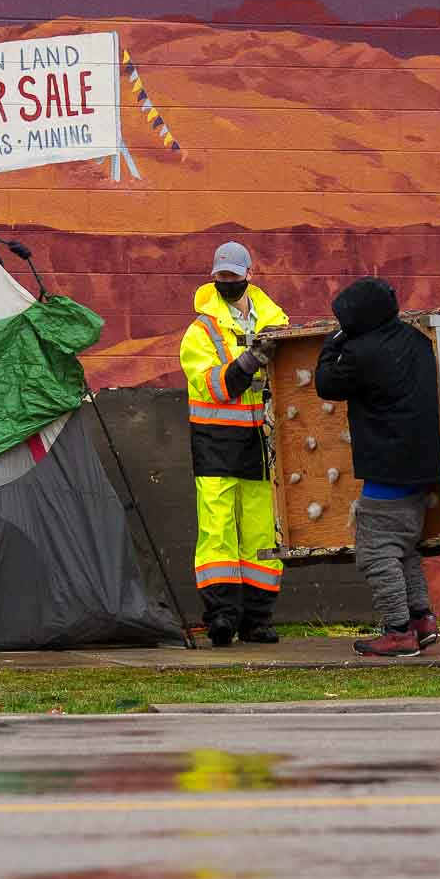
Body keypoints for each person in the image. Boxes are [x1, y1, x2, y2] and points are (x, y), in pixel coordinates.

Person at [314, 277, 440, 658]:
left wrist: (330, 343)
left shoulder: (362, 353)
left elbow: (325, 383)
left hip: (388, 466)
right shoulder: (417, 340)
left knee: (375, 552)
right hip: (420, 466)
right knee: (403, 548)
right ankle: (422, 620)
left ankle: (398, 632)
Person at [179, 241, 288, 646]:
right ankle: (221, 617)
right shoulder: (201, 330)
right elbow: (211, 384)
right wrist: (248, 362)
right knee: (217, 531)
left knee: (261, 532)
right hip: (216, 442)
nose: (225, 281)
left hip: (261, 442)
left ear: (248, 275)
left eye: (232, 275)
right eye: (220, 276)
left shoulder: (276, 321)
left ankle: (257, 619)